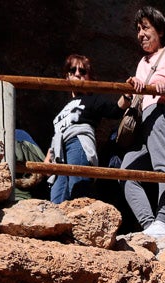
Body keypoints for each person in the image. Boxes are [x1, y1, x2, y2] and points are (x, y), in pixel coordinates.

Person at [119, 7, 165, 238]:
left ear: (160, 30)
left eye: (146, 28)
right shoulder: (143, 62)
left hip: (162, 114)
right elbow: (123, 103)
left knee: (164, 168)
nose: (140, 34)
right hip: (143, 122)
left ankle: (163, 220)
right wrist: (131, 88)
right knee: (126, 172)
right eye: (138, 30)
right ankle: (149, 224)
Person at [44, 54, 123, 204]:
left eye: (83, 71)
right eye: (72, 70)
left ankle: (81, 224)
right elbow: (57, 133)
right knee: (57, 195)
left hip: (78, 142)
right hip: (59, 150)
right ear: (66, 77)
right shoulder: (63, 109)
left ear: (90, 78)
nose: (77, 74)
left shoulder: (92, 100)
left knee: (78, 187)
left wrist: (127, 95)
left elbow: (115, 110)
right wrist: (49, 156)